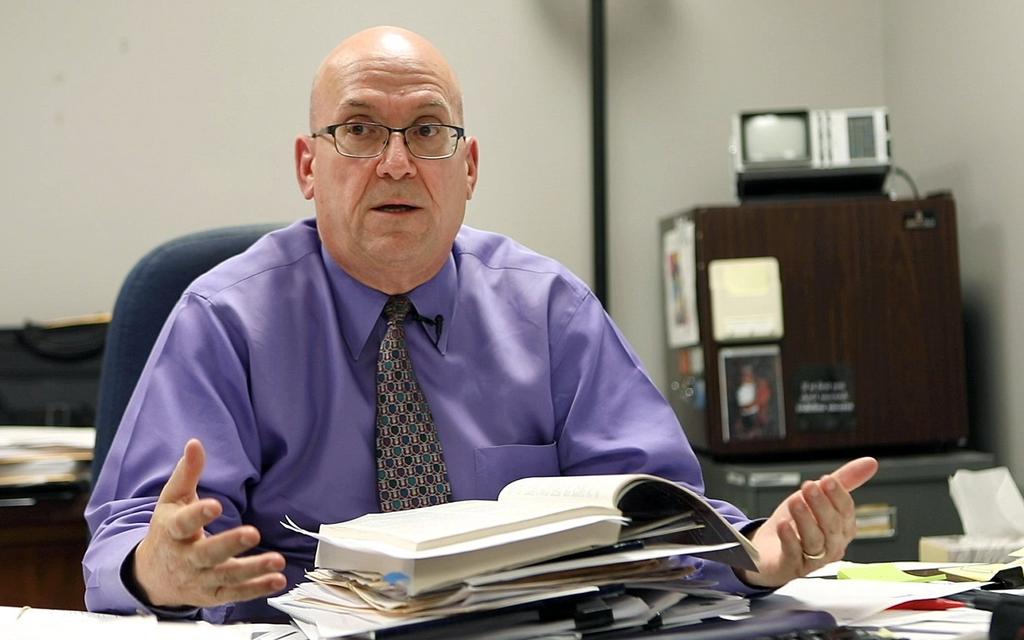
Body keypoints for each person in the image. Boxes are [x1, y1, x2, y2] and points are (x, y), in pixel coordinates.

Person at [83, 26, 878, 623]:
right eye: (359, 130)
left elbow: (660, 512)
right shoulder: (223, 320)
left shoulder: (548, 311)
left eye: (427, 131)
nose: (396, 163)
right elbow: (126, 542)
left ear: (466, 169)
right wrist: (156, 571)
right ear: (307, 166)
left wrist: (759, 557)